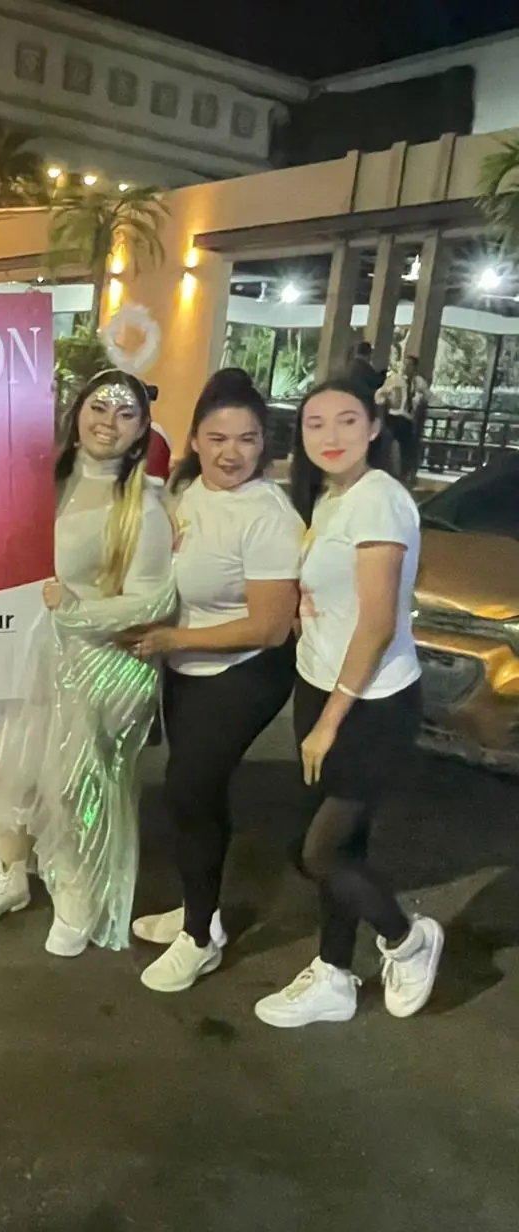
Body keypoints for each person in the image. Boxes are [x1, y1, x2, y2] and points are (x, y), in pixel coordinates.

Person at [0, 370, 175, 956]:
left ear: (141, 429)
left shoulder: (143, 506)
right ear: (77, 411)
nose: (108, 421)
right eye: (99, 406)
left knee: (68, 781)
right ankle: (7, 877)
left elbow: (155, 599)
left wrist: (76, 609)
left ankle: (75, 892)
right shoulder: (37, 479)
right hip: (15, 650)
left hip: (91, 663)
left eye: (125, 413)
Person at [254, 379, 443, 1028]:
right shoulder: (332, 499)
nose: (329, 436)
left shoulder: (380, 501)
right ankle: (334, 974)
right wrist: (310, 614)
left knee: (320, 853)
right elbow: (341, 600)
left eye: (345, 421)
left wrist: (328, 723)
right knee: (345, 848)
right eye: (314, 424)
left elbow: (378, 625)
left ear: (372, 428)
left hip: (369, 704)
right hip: (321, 683)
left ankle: (406, 938)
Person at [128, 369, 303, 993]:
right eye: (218, 436)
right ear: (195, 439)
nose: (232, 452)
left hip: (243, 672)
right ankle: (198, 907)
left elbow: (270, 626)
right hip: (185, 666)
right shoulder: (182, 490)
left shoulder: (268, 515)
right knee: (196, 794)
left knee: (187, 786)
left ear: (266, 444)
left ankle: (199, 938)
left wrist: (173, 639)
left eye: (248, 439)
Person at [377, 354, 429, 485]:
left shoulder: (419, 382)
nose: (406, 368)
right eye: (404, 364)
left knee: (409, 445)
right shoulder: (395, 379)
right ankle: (386, 469)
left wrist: (421, 400)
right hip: (394, 415)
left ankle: (406, 472)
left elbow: (428, 397)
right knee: (387, 440)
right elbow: (379, 394)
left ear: (415, 367)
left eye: (410, 365)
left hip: (408, 418)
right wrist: (386, 401)